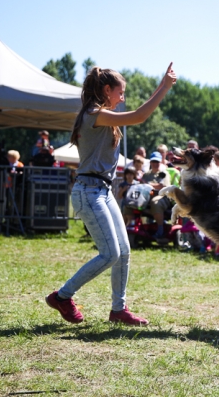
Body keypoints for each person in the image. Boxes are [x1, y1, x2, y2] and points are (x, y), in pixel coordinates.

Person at [46, 63, 177, 326]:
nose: (123, 97)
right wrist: (163, 87)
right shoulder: (94, 113)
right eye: (121, 92)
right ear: (107, 90)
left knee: (124, 251)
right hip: (89, 192)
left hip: (102, 192)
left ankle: (119, 310)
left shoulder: (101, 116)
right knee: (110, 254)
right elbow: (139, 116)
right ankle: (62, 296)